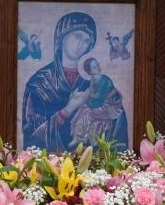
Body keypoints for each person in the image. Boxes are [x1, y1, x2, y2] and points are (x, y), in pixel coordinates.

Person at [22, 12, 128, 151]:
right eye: (77, 36)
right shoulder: (39, 84)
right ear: (61, 38)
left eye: (86, 41)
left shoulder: (96, 82)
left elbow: (118, 122)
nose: (81, 44)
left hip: (94, 161)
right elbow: (32, 139)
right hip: (50, 163)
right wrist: (68, 110)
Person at [69, 58, 128, 149]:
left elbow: (98, 98)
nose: (98, 67)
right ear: (90, 71)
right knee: (82, 109)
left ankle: (80, 137)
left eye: (97, 65)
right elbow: (92, 95)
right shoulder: (93, 79)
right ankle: (77, 137)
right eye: (94, 67)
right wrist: (81, 98)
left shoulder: (105, 80)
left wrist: (87, 102)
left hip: (109, 106)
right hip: (98, 103)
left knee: (87, 112)